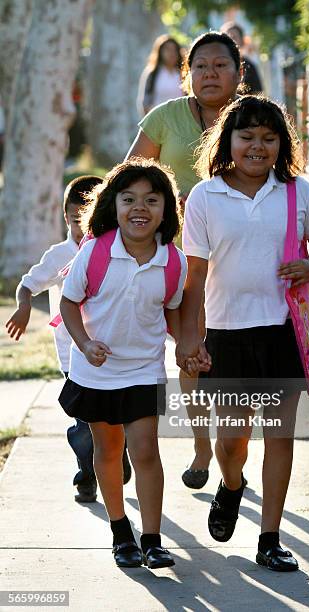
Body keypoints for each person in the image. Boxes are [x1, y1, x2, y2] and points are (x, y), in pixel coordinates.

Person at [177, 95, 309, 571]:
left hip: (282, 332)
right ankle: (231, 485)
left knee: (279, 436)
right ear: (227, 140)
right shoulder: (206, 196)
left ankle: (270, 538)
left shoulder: (297, 192)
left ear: (281, 144)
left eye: (269, 138)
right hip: (224, 335)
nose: (257, 146)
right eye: (246, 136)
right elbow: (195, 276)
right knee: (230, 441)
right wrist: (192, 338)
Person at [58, 158, 188, 569]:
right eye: (129, 198)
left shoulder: (173, 262)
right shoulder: (95, 251)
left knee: (146, 450)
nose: (140, 208)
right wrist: (84, 342)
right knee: (109, 450)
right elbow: (68, 302)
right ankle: (120, 533)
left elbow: (170, 311)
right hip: (95, 369)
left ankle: (151, 539)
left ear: (166, 210)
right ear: (113, 205)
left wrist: (187, 345)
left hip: (144, 370)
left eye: (152, 200)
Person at [126, 30, 243, 489]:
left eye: (219, 65)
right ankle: (200, 447)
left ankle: (234, 454)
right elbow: (129, 179)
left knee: (235, 361)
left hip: (239, 260)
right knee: (191, 355)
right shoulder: (164, 118)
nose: (209, 74)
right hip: (179, 261)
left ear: (238, 72)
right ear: (186, 74)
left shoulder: (254, 118)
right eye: (200, 67)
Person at [4, 176, 133, 504]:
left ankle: (119, 452)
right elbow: (27, 285)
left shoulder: (119, 248)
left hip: (113, 351)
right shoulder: (59, 254)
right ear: (66, 217)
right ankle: (87, 473)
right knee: (86, 422)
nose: (84, 225)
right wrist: (22, 307)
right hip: (73, 355)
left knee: (115, 416)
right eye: (77, 219)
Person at [137, 35, 184, 117]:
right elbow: (145, 102)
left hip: (179, 122)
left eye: (174, 50)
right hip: (158, 122)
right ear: (160, 52)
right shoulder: (153, 73)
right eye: (168, 49)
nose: (171, 53)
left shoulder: (183, 74)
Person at [221, 22, 263, 94]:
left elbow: (257, 94)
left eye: (234, 37)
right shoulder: (216, 65)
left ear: (241, 41)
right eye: (226, 37)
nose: (230, 41)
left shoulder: (249, 66)